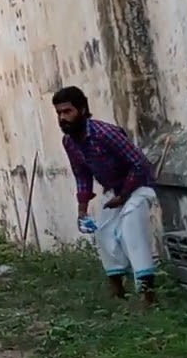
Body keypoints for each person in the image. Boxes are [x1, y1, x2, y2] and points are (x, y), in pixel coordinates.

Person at [52, 86, 159, 306]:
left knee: (132, 232)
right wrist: (82, 209)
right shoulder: (70, 142)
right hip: (112, 192)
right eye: (59, 113)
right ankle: (117, 290)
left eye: (67, 111)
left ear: (82, 109)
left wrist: (123, 195)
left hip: (138, 187)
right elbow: (81, 174)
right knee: (103, 232)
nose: (63, 118)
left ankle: (148, 296)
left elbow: (140, 164)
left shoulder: (105, 133)